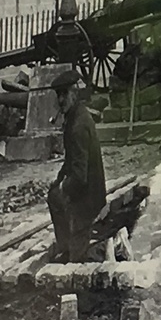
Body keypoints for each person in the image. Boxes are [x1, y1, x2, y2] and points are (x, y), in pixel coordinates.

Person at [47, 68, 106, 263]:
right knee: (53, 196)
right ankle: (65, 248)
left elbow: (80, 177)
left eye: (65, 94)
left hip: (87, 197)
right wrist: (58, 183)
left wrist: (64, 188)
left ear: (74, 93)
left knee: (77, 262)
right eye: (58, 95)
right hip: (86, 190)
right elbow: (71, 160)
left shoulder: (78, 126)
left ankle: (78, 255)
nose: (61, 100)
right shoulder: (74, 117)